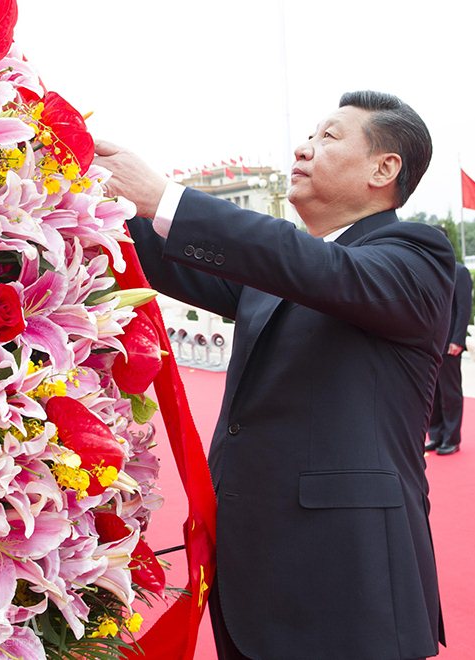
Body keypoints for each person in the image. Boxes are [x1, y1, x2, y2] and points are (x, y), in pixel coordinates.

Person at [95, 91, 455, 660]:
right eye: (310, 135)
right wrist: (86, 193)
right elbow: (165, 259)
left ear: (385, 169)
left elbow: (313, 267)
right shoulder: (284, 271)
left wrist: (166, 197)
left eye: (329, 137)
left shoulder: (413, 257)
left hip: (348, 590)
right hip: (252, 580)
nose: (304, 148)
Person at [425, 256, 473, 455]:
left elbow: (464, 308)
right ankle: (435, 435)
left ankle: (451, 438)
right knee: (432, 392)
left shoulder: (459, 271)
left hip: (450, 344)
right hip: (429, 343)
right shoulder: (429, 270)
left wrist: (458, 340)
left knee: (450, 392)